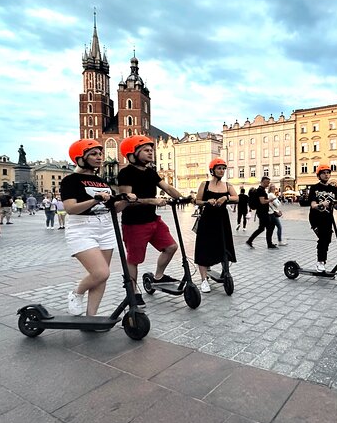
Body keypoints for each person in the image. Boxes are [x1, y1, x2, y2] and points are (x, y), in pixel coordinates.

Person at [60, 139, 135, 316]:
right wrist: (95, 199)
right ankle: (76, 293)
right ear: (80, 158)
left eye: (100, 154)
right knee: (101, 272)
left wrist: (125, 201)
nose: (99, 157)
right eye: (93, 154)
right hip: (82, 229)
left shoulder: (101, 181)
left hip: (105, 228)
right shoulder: (71, 180)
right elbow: (70, 209)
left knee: (102, 277)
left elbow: (113, 209)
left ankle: (91, 316)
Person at [117, 135, 184, 304]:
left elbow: (167, 187)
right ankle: (132, 293)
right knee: (134, 260)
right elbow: (126, 201)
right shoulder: (126, 173)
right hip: (134, 223)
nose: (151, 153)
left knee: (171, 247)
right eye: (146, 150)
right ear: (133, 153)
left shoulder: (150, 172)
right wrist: (151, 201)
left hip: (153, 219)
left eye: (151, 150)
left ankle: (158, 277)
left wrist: (183, 198)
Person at [194, 158, 238, 293]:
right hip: (207, 219)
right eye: (219, 168)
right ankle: (204, 280)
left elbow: (237, 198)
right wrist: (208, 201)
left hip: (222, 220)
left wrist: (226, 198)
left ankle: (226, 272)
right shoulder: (205, 184)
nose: (222, 171)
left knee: (224, 246)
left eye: (224, 168)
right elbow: (197, 201)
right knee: (203, 247)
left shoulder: (228, 185)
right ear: (212, 170)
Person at [308, 165, 337, 271]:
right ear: (319, 175)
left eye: (328, 172)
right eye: (324, 173)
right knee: (323, 239)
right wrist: (321, 204)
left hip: (328, 218)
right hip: (316, 218)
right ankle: (320, 262)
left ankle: (322, 261)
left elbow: (336, 207)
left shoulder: (333, 188)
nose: (326, 174)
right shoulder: (314, 188)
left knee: (327, 240)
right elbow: (313, 205)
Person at [246, 176, 276, 249]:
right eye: (267, 182)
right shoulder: (260, 190)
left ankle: (250, 240)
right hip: (262, 213)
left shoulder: (261, 190)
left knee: (262, 228)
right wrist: (270, 200)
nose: (268, 184)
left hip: (262, 212)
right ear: (263, 182)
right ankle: (269, 244)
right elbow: (262, 202)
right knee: (270, 227)